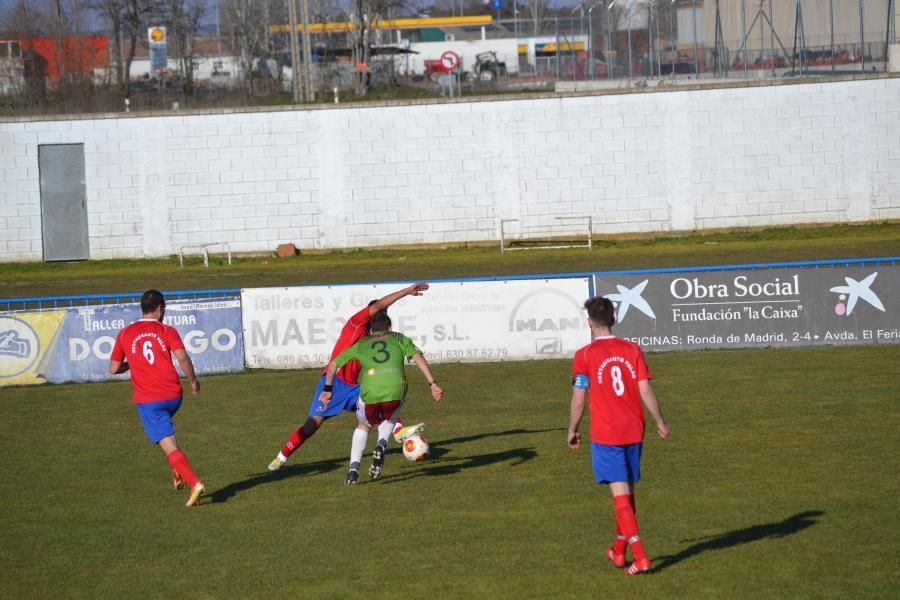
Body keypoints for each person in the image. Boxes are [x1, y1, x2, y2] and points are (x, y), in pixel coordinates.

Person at [267, 283, 430, 472]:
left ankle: (398, 430)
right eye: (381, 310)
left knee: (380, 402)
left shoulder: (374, 338)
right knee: (312, 425)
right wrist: (406, 292)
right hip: (332, 383)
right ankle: (281, 456)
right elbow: (378, 306)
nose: (382, 313)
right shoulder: (356, 322)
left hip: (353, 388)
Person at [567, 296, 670, 575]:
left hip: (606, 433)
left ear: (590, 323)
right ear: (614, 319)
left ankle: (641, 557)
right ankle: (618, 551)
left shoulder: (584, 355)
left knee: (620, 495)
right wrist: (660, 421)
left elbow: (578, 399)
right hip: (634, 429)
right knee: (627, 494)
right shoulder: (632, 349)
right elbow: (645, 390)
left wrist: (572, 429)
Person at [320, 311, 443, 485]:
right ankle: (381, 445)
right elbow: (418, 358)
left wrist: (328, 389)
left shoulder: (362, 344)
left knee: (364, 425)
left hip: (371, 393)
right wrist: (432, 384)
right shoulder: (399, 338)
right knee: (391, 415)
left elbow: (333, 364)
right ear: (390, 327)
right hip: (396, 390)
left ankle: (353, 470)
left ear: (370, 330)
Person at [109, 290, 205, 507]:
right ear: (160, 309)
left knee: (167, 444)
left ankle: (194, 483)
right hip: (173, 396)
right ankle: (177, 471)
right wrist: (192, 382)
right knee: (167, 434)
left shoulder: (125, 333)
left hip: (149, 400)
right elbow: (182, 357)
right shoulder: (166, 330)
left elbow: (113, 368)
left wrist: (131, 363)